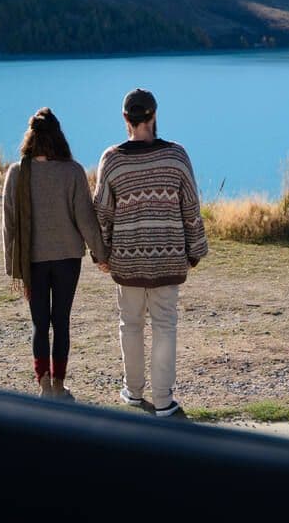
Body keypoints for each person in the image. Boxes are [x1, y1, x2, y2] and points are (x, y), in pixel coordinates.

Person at [93, 88, 208, 417]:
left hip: (127, 262)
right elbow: (191, 209)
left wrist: (101, 255)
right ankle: (162, 401)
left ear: (125, 119)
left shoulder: (112, 160)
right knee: (164, 326)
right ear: (155, 116)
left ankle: (133, 391)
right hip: (169, 257)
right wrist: (194, 250)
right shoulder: (176, 157)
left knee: (129, 325)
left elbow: (102, 213)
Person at [2, 107, 104, 399]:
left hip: (31, 260)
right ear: (59, 135)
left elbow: (9, 223)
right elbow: (85, 220)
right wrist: (101, 254)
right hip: (67, 259)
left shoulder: (17, 172)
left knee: (39, 323)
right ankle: (59, 384)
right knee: (61, 321)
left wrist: (13, 266)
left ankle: (44, 385)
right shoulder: (72, 172)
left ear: (30, 136)